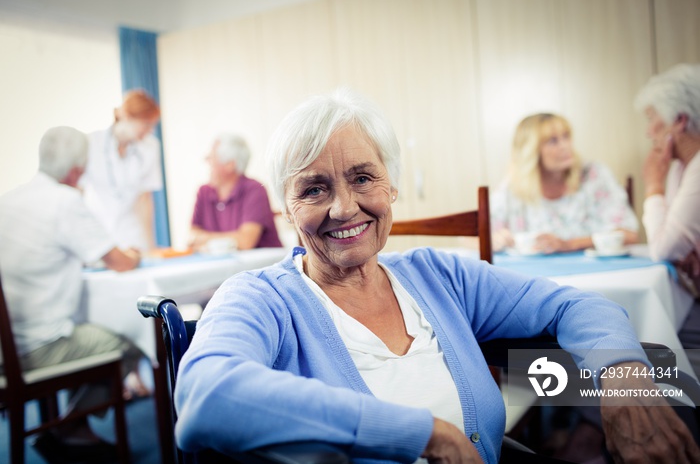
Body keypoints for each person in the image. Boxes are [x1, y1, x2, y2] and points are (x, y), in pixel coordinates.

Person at [174, 89, 699, 464]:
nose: (344, 207)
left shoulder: (437, 275)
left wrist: (624, 380)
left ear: (392, 187)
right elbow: (205, 395)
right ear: (285, 210)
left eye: (362, 178)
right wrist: (423, 434)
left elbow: (576, 305)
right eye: (312, 189)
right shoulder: (260, 298)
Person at [0, 126, 145, 460]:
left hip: (8, 345)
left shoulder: (8, 200)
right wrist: (136, 253)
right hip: (38, 349)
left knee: (89, 331)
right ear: (78, 169)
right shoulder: (64, 201)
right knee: (133, 339)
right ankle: (70, 427)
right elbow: (119, 261)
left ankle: (70, 428)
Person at [490, 113, 639, 254]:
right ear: (531, 151)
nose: (565, 146)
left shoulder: (594, 175)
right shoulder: (513, 188)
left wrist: (570, 245)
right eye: (553, 141)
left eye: (566, 137)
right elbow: (474, 238)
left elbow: (630, 234)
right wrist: (494, 240)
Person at [634, 63, 700, 373]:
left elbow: (661, 248)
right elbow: (671, 247)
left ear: (680, 120)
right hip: (692, 297)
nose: (648, 132)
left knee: (640, 342)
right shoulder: (681, 169)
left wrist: (653, 185)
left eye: (652, 119)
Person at [80, 89, 163, 252]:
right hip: (99, 230)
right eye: (146, 123)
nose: (149, 130)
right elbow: (79, 193)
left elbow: (145, 198)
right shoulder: (91, 143)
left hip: (132, 234)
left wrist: (151, 246)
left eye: (152, 125)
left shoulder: (150, 146)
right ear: (126, 116)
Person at [189, 133, 282, 251]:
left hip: (260, 266)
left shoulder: (255, 189)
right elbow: (191, 238)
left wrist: (204, 238)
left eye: (211, 157)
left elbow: (245, 242)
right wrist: (232, 239)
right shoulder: (204, 192)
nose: (206, 160)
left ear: (230, 164)